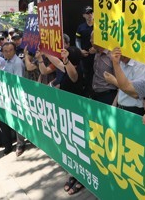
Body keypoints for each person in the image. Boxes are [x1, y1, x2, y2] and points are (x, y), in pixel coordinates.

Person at [45, 46, 86, 195]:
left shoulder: (76, 70)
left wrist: (66, 59)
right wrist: (45, 52)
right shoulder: (66, 66)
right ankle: (73, 174)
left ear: (72, 58)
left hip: (77, 116)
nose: (62, 57)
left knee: (78, 147)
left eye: (67, 54)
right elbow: (57, 62)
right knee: (69, 145)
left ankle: (81, 179)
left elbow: (73, 75)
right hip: (66, 114)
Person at [0, 42, 26, 157]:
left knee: (18, 119)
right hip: (7, 95)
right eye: (5, 51)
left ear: (14, 51)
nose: (8, 52)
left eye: (10, 50)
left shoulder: (17, 63)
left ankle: (20, 143)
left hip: (16, 95)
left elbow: (18, 82)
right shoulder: (5, 62)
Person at [90, 32, 116, 105]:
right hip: (95, 94)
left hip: (108, 96)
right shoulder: (97, 53)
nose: (90, 41)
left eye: (92, 38)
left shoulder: (112, 56)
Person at [75, 6, 95, 96]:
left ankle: (95, 94)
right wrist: (80, 50)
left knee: (97, 75)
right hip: (85, 57)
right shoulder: (81, 27)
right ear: (83, 15)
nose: (90, 15)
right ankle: (87, 94)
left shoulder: (99, 25)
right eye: (87, 13)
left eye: (91, 12)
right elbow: (77, 40)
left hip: (97, 56)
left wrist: (96, 49)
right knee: (86, 75)